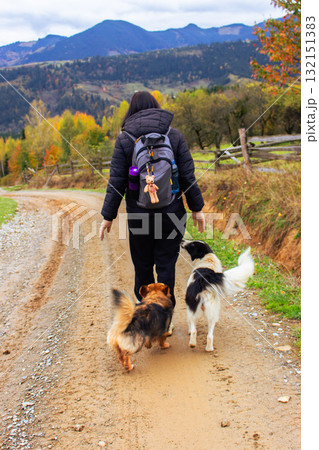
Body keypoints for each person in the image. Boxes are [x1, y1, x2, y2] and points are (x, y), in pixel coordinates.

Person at [100, 91, 205, 307]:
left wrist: (107, 216)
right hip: (172, 212)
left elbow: (116, 181)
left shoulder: (124, 140)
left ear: (131, 111)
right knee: (166, 265)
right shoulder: (173, 136)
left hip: (140, 215)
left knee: (143, 266)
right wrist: (197, 208)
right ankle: (165, 317)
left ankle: (147, 312)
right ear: (156, 108)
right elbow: (187, 175)